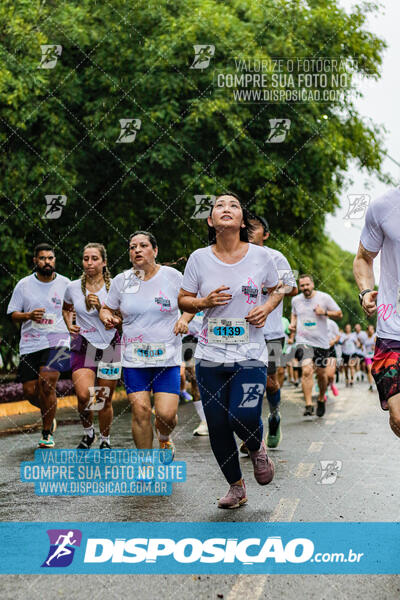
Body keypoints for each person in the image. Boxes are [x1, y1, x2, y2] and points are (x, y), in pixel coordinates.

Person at [179, 192, 282, 509]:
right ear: (211, 220)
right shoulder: (198, 258)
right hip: (210, 357)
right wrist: (202, 303)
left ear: (242, 220)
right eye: (219, 206)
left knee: (243, 413)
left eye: (234, 205)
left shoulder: (261, 258)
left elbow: (277, 289)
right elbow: (183, 299)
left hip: (250, 353)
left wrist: (265, 307)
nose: (226, 208)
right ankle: (236, 488)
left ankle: (256, 447)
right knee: (219, 426)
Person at [99, 231, 191, 456]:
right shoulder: (122, 280)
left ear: (155, 250)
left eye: (142, 245)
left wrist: (184, 318)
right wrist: (106, 317)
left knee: (166, 416)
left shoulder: (172, 276)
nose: (137, 250)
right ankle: (145, 463)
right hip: (134, 359)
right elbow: (106, 308)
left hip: (166, 357)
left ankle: (165, 437)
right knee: (140, 411)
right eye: (132, 247)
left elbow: (191, 303)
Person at [7, 243, 70, 448]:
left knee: (46, 383)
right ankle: (48, 415)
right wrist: (28, 315)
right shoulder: (23, 285)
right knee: (30, 391)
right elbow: (12, 314)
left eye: (50, 258)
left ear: (54, 260)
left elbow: (74, 309)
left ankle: (46, 433)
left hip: (59, 341)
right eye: (42, 258)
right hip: (31, 343)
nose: (47, 262)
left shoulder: (65, 284)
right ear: (35, 261)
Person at [246, 213, 298, 449]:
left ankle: (274, 414)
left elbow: (293, 288)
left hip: (271, 332)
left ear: (265, 234)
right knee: (247, 383)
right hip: (242, 332)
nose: (247, 231)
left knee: (268, 382)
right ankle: (252, 434)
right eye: (244, 227)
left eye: (253, 228)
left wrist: (271, 288)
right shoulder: (234, 258)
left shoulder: (276, 257)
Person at [62, 243, 120, 449]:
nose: (89, 263)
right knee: (84, 395)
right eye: (86, 259)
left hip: (110, 345)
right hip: (84, 344)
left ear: (104, 262)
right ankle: (89, 433)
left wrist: (100, 308)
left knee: (102, 398)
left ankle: (105, 440)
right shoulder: (72, 287)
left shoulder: (115, 287)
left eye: (94, 258)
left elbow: (122, 319)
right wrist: (70, 325)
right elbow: (67, 307)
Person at [353, 187, 400, 438]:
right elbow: (363, 258)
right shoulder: (383, 207)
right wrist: (365, 291)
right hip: (393, 329)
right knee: (399, 418)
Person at [288, 274, 342, 417]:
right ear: (300, 287)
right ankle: (308, 404)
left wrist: (323, 312)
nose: (305, 288)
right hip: (303, 341)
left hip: (322, 344)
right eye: (302, 286)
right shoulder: (295, 300)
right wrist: (293, 324)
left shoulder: (324, 298)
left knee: (322, 375)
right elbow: (294, 315)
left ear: (312, 284)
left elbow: (339, 314)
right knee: (306, 370)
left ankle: (320, 399)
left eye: (307, 285)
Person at [181, 310, 209, 436]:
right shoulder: (185, 291)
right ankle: (204, 421)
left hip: (213, 335)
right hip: (190, 338)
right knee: (194, 377)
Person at [326, 318, 340, 397]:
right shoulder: (315, 321)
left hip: (330, 349)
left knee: (330, 375)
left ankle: (331, 384)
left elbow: (338, 335)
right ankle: (323, 391)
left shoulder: (332, 323)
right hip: (319, 349)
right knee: (322, 373)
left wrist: (333, 341)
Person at [364, 324, 376, 391]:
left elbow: (379, 345)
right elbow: (363, 347)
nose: (371, 331)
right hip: (367, 356)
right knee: (369, 370)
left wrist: (375, 347)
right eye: (369, 329)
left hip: (375, 356)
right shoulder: (365, 339)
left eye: (372, 329)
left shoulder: (375, 337)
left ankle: (376, 383)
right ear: (367, 331)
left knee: (375, 371)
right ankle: (371, 384)